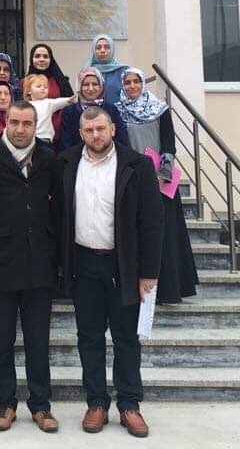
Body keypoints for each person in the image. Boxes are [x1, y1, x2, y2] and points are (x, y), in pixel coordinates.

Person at [56, 106, 164, 439]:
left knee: (126, 338)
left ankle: (129, 404)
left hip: (123, 266)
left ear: (113, 129)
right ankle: (96, 403)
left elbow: (152, 222)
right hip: (83, 263)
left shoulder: (137, 165)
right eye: (89, 130)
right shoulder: (66, 163)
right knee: (89, 337)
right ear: (80, 133)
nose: (96, 135)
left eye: (101, 129)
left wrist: (148, 272)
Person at [0, 101, 61, 433]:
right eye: (15, 122)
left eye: (27, 123)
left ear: (36, 125)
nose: (20, 129)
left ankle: (41, 405)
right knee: (1, 339)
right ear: (6, 122)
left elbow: (58, 206)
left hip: (39, 263)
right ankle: (5, 404)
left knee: (38, 339)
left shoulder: (49, 159)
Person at [117, 68, 198, 305]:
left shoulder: (159, 109)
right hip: (132, 178)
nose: (132, 86)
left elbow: (169, 143)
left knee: (165, 233)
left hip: (159, 180)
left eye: (136, 81)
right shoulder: (118, 111)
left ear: (143, 83)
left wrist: (163, 172)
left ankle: (168, 290)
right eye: (127, 82)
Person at [57, 67, 130, 152]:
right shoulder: (70, 111)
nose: (91, 88)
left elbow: (122, 141)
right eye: (86, 84)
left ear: (101, 86)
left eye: (95, 84)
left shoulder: (111, 109)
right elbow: (66, 145)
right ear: (79, 87)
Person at [26, 43, 75, 139]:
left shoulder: (61, 81)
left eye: (45, 56)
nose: (41, 59)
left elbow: (69, 104)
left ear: (51, 60)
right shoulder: (24, 83)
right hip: (30, 136)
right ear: (32, 59)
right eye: (37, 56)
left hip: (60, 133)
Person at [23, 74, 75, 153]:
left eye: (45, 87)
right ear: (29, 91)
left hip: (46, 140)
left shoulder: (48, 103)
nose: (43, 88)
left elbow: (59, 101)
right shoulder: (25, 106)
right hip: (30, 140)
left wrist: (69, 100)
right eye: (39, 86)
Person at [85, 34, 129, 103]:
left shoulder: (124, 71)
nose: (102, 50)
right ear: (94, 51)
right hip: (94, 109)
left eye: (107, 47)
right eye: (98, 48)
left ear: (112, 49)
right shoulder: (87, 72)